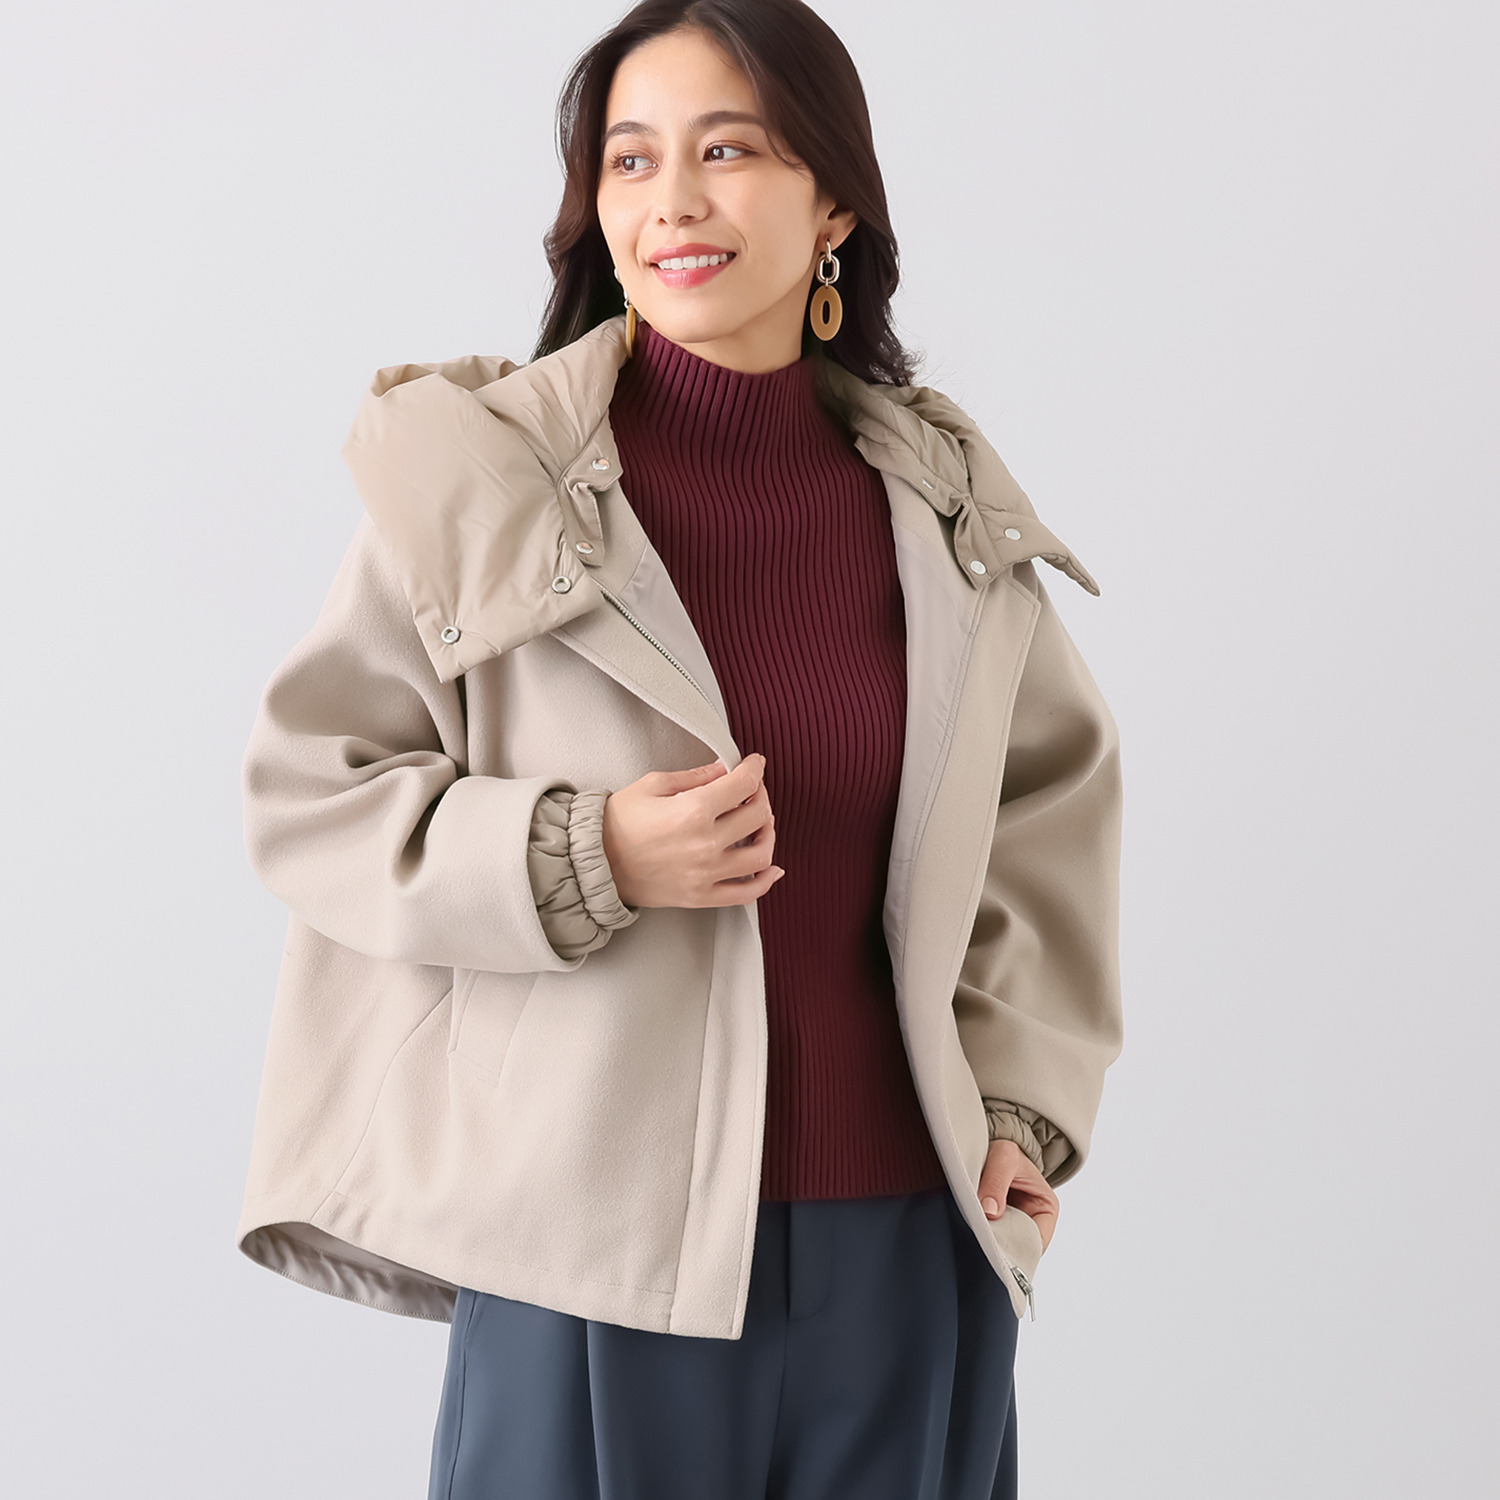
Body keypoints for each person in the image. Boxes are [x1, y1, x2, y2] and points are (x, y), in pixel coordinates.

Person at [234, 2, 1124, 1496]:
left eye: (731, 151)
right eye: (631, 160)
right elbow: (310, 790)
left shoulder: (940, 510)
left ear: (834, 204)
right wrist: (584, 853)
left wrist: (1020, 1108)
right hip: (593, 1246)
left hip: (908, 1243)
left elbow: (1046, 814)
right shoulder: (485, 484)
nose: (674, 202)